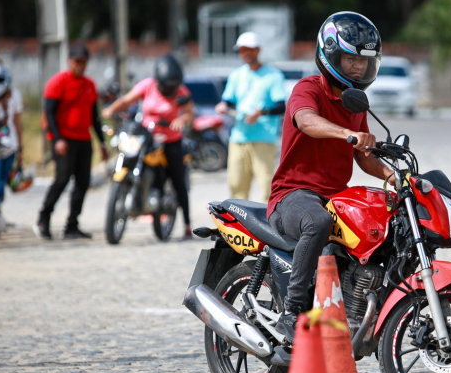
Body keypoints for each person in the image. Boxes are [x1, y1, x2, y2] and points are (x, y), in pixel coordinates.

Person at [267, 12, 392, 342]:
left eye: (364, 61)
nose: (358, 67)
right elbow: (306, 121)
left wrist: (395, 178)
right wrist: (347, 133)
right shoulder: (308, 89)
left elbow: (365, 157)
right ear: (331, 54)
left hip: (334, 195)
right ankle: (291, 313)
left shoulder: (356, 104)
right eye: (351, 59)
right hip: (292, 195)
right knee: (317, 223)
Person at [102, 54, 194, 238]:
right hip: (147, 136)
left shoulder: (181, 92)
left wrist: (181, 119)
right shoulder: (148, 85)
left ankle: (186, 223)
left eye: (172, 87)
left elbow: (189, 113)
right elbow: (126, 100)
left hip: (171, 141)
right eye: (166, 86)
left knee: (178, 180)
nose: (169, 90)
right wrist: (111, 109)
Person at [35, 42, 108, 240]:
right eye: (76, 61)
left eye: (83, 62)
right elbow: (49, 113)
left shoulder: (90, 85)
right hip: (63, 139)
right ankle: (44, 217)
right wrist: (57, 139)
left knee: (83, 182)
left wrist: (102, 143)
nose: (80, 65)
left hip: (83, 139)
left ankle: (72, 224)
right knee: (62, 179)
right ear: (70, 61)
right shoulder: (58, 82)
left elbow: (95, 117)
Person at [215, 32, 287, 202]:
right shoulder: (236, 75)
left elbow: (280, 106)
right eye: (242, 50)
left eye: (250, 49)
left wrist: (260, 112)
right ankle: (238, 226)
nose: (246, 53)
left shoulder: (273, 75)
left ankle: (267, 225)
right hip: (239, 138)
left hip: (263, 139)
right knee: (236, 186)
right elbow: (228, 100)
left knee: (267, 188)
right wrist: (223, 106)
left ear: (258, 50)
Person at [0, 70, 23, 212]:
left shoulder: (14, 95)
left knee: (4, 175)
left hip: (11, 142)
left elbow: (16, 121)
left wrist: (20, 147)